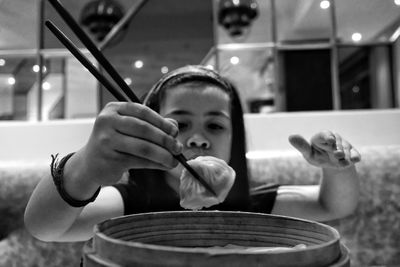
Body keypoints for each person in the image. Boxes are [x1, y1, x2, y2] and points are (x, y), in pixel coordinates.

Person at [24, 65, 361, 243]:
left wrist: (335, 168)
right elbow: (45, 227)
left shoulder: (252, 207)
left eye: (215, 126)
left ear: (236, 138)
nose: (197, 139)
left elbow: (334, 205)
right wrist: (85, 166)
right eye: (180, 123)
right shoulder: (130, 207)